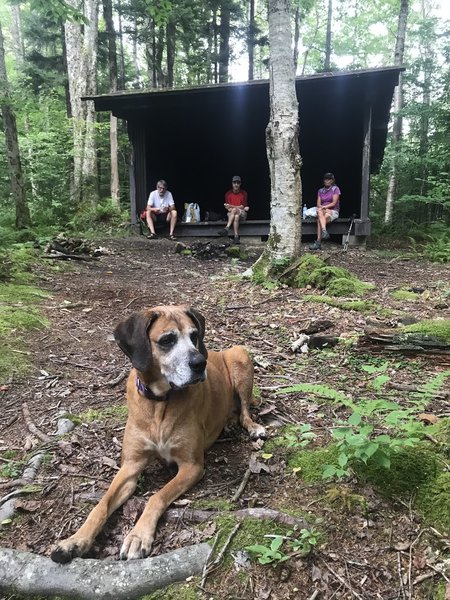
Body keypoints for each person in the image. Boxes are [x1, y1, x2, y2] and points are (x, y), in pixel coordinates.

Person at [309, 172, 341, 251]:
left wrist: (325, 208)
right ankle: (324, 231)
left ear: (332, 180)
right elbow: (318, 204)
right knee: (320, 212)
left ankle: (318, 243)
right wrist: (323, 208)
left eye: (329, 179)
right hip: (323, 210)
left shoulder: (335, 189)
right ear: (324, 180)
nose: (327, 181)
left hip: (333, 211)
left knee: (319, 220)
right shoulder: (320, 190)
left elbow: (334, 202)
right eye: (326, 179)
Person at [217, 176, 249, 244]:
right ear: (232, 183)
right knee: (236, 216)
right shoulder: (228, 194)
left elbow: (243, 206)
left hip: (242, 213)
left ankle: (226, 228)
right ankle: (236, 237)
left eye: (238, 183)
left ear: (240, 184)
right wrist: (233, 208)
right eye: (234, 182)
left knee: (234, 210)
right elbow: (228, 208)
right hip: (231, 213)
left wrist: (232, 206)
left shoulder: (244, 193)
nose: (236, 184)